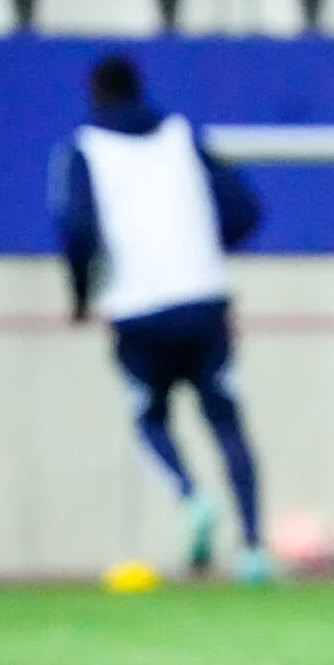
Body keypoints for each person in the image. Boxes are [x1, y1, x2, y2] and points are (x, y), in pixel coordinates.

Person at [48, 54, 271, 583]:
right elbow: (244, 206)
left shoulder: (83, 149)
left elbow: (76, 228)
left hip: (137, 310)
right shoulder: (182, 136)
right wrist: (205, 249)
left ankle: (191, 496)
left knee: (149, 416)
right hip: (203, 299)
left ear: (94, 91)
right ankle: (254, 548)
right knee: (226, 419)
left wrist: (81, 298)